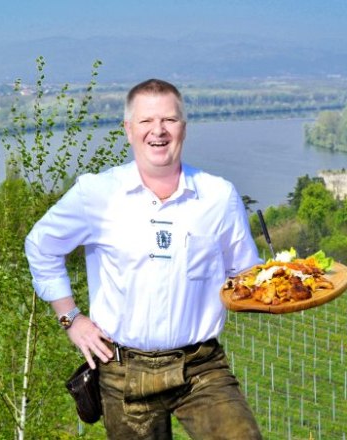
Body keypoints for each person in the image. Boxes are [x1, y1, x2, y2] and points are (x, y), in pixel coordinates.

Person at [24, 79, 262, 439]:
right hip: (123, 371)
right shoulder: (97, 193)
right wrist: (70, 318)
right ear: (128, 129)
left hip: (201, 367)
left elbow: (245, 275)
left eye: (169, 120)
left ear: (184, 128)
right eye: (146, 121)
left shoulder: (219, 196)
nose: (158, 130)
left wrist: (292, 283)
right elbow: (41, 245)